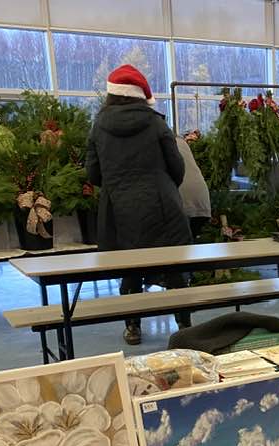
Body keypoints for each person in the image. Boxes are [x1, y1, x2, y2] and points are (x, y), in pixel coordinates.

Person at [86, 64, 192, 345]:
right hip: (162, 207)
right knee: (173, 267)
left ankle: (132, 327)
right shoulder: (156, 124)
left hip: (118, 210)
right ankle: (184, 324)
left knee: (129, 268)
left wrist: (116, 185)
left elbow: (92, 174)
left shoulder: (99, 127)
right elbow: (177, 167)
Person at [176, 135, 211, 240]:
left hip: (181, 201)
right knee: (190, 243)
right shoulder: (181, 142)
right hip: (202, 199)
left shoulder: (158, 144)